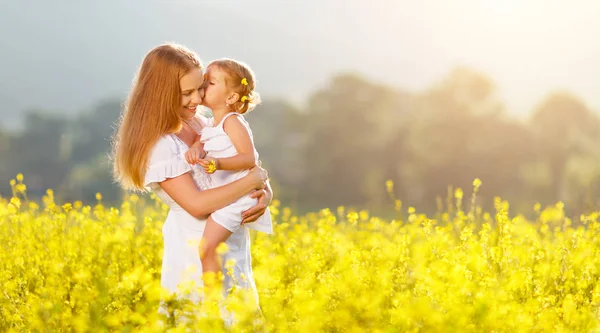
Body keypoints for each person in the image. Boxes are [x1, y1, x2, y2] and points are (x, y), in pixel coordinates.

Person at [111, 43, 271, 319]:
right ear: (161, 94)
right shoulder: (159, 145)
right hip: (194, 254)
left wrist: (264, 191)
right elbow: (196, 205)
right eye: (186, 93)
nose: (197, 99)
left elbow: (240, 162)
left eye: (200, 88)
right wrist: (255, 179)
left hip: (230, 245)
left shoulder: (200, 123)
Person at [184, 59, 273, 286]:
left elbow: (249, 158)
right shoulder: (213, 124)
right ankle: (220, 298)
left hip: (240, 198)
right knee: (213, 249)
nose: (203, 87)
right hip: (231, 196)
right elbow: (204, 138)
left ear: (231, 98)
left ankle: (213, 303)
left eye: (210, 83)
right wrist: (197, 147)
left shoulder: (232, 122)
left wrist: (218, 164)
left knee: (207, 247)